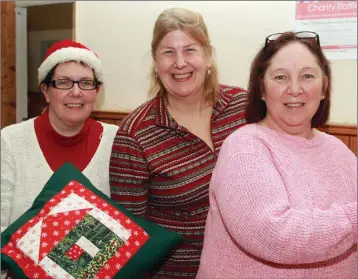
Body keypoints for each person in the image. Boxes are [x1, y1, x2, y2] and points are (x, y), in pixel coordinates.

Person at [197, 31, 357, 279]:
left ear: (324, 87)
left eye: (307, 76)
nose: (295, 89)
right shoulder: (243, 147)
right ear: (262, 89)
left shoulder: (339, 150)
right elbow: (275, 236)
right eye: (281, 77)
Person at [109, 7, 248, 279]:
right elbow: (129, 234)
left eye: (190, 50)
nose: (180, 62)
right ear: (156, 62)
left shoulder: (243, 107)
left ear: (208, 55)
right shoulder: (135, 134)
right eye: (168, 52)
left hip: (248, 267)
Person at [1, 40, 118, 234]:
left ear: (97, 91)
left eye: (86, 83)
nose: (76, 92)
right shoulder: (9, 141)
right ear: (46, 91)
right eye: (63, 83)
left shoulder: (116, 141)